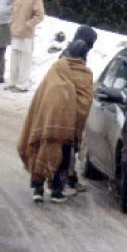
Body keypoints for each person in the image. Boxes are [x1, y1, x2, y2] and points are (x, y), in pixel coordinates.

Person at [17, 40, 94, 204]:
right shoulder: (85, 74)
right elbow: (85, 102)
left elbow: (42, 94)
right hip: (68, 125)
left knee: (42, 149)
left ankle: (38, 188)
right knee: (63, 155)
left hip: (47, 119)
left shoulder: (56, 68)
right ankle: (56, 191)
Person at [63, 25, 98, 195]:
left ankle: (66, 177)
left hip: (65, 105)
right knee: (68, 145)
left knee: (67, 145)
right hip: (68, 107)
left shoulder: (68, 52)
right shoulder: (76, 53)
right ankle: (65, 179)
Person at [5, 0, 45, 93]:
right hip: (16, 32)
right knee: (14, 59)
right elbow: (13, 11)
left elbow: (40, 15)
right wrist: (11, 23)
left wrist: (29, 24)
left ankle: (22, 84)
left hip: (27, 34)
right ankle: (13, 81)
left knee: (25, 61)